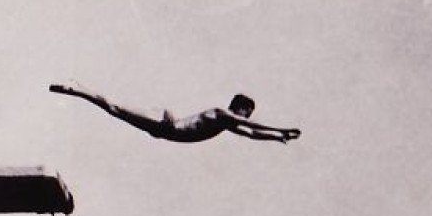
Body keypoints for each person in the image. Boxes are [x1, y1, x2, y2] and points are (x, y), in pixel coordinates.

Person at [50, 81, 300, 145]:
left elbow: (250, 134)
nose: (245, 118)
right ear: (242, 109)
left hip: (162, 130)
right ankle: (77, 89)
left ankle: (78, 89)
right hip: (165, 123)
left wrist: (278, 138)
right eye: (246, 113)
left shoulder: (227, 123)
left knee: (114, 111)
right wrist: (281, 130)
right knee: (114, 108)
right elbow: (253, 126)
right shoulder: (223, 113)